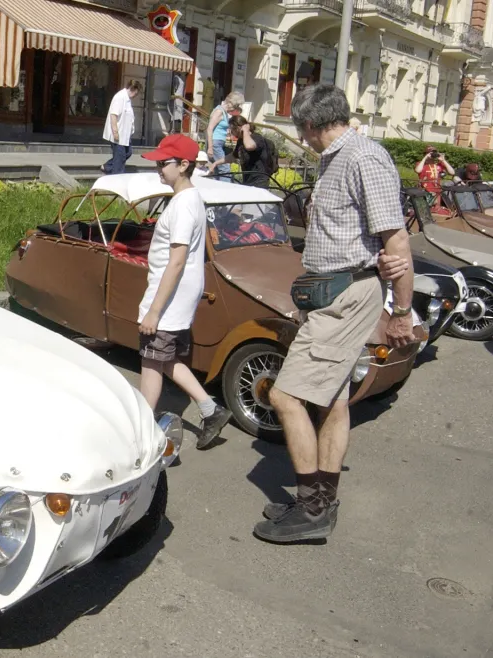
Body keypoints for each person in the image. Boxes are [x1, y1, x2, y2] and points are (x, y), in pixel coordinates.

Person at [253, 84, 416, 543]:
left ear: (309, 124)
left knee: (285, 398)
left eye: (300, 129)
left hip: (345, 296)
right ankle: (321, 500)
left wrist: (402, 312)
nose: (301, 137)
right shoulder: (336, 157)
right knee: (333, 400)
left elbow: (397, 241)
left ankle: (311, 511)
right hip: (334, 292)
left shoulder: (363, 157)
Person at [138, 133, 234, 449]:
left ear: (183, 165)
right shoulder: (192, 198)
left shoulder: (182, 205)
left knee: (151, 361)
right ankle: (210, 409)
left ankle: (141, 429)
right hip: (179, 297)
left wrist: (154, 311)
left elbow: (177, 261)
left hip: (168, 299)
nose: (158, 169)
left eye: (163, 164)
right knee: (165, 358)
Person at [209, 115, 276, 188]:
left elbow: (249, 146)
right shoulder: (241, 141)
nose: (231, 132)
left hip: (259, 181)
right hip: (248, 180)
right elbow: (233, 156)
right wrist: (216, 163)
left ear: (238, 128)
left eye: (232, 130)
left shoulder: (257, 138)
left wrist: (246, 131)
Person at [101, 81, 142, 175]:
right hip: (119, 135)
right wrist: (115, 132)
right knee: (120, 159)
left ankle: (107, 166)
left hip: (125, 136)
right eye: (137, 93)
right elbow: (113, 115)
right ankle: (116, 177)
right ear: (134, 89)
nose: (136, 95)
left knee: (127, 153)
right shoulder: (120, 97)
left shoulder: (127, 99)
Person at [206, 91, 245, 181]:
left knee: (217, 169)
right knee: (225, 169)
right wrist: (210, 147)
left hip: (218, 143)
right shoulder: (219, 111)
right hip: (215, 143)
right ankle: (226, 187)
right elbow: (209, 128)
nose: (236, 108)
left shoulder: (224, 112)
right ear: (231, 103)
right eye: (236, 105)